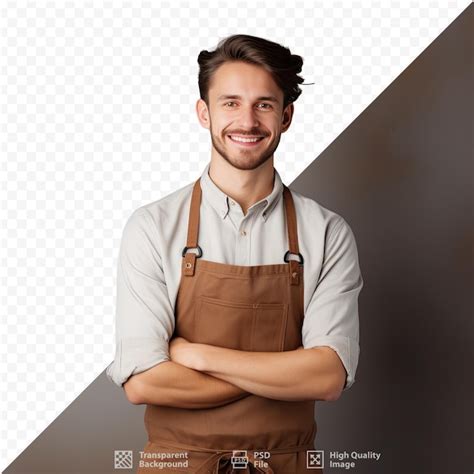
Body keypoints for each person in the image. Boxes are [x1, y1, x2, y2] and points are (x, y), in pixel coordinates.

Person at [106, 34, 363, 473]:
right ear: (203, 112)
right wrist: (282, 375)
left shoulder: (327, 233)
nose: (247, 121)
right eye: (230, 103)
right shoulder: (151, 227)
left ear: (286, 116)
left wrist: (200, 356)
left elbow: (326, 378)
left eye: (264, 104)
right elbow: (144, 381)